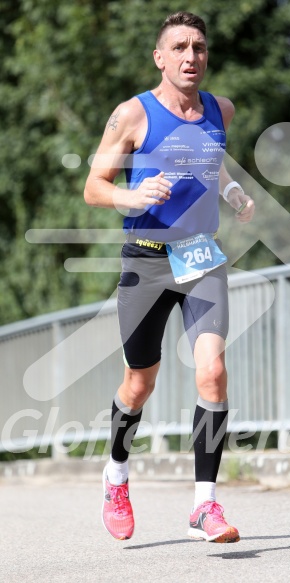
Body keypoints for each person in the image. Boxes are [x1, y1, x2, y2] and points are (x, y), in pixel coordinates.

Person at [84, 11, 255, 543]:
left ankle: (204, 504)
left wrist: (229, 192)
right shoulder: (132, 115)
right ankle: (116, 473)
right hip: (146, 258)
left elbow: (212, 159)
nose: (191, 57)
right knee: (140, 382)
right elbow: (94, 185)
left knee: (213, 372)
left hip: (200, 254)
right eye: (179, 47)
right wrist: (131, 196)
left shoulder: (219, 110)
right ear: (160, 57)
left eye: (199, 47)